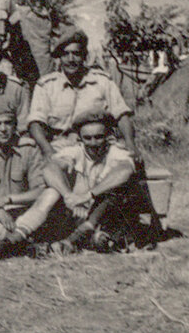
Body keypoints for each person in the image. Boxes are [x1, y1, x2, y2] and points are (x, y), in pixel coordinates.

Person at [0, 97, 59, 258]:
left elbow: (39, 190)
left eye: (8, 123)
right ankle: (18, 243)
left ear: (15, 126)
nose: (3, 129)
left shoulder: (28, 147)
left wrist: (6, 200)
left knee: (52, 193)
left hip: (23, 216)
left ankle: (9, 242)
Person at [27, 29, 138, 160]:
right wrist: (47, 150)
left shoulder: (102, 81)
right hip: (61, 146)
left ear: (84, 56)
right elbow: (35, 123)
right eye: (65, 54)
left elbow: (122, 114)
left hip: (100, 145)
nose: (71, 59)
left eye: (76, 54)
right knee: (49, 170)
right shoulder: (46, 86)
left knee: (128, 163)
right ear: (59, 58)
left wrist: (131, 144)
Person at [41, 109, 140, 254]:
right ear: (80, 139)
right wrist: (69, 196)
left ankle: (77, 238)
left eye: (99, 137)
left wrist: (88, 196)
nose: (93, 143)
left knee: (117, 188)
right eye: (87, 138)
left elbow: (125, 171)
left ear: (108, 136)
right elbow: (50, 168)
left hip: (107, 214)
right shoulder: (75, 151)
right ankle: (84, 238)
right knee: (53, 191)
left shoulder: (116, 152)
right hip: (77, 213)